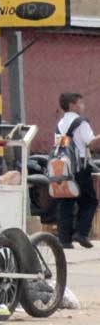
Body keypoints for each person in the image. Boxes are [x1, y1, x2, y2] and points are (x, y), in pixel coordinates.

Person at [55, 92, 100, 249]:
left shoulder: (60, 123)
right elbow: (91, 144)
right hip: (80, 166)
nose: (83, 106)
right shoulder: (81, 123)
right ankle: (81, 233)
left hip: (63, 165)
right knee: (90, 201)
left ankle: (64, 240)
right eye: (81, 103)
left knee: (67, 201)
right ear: (73, 105)